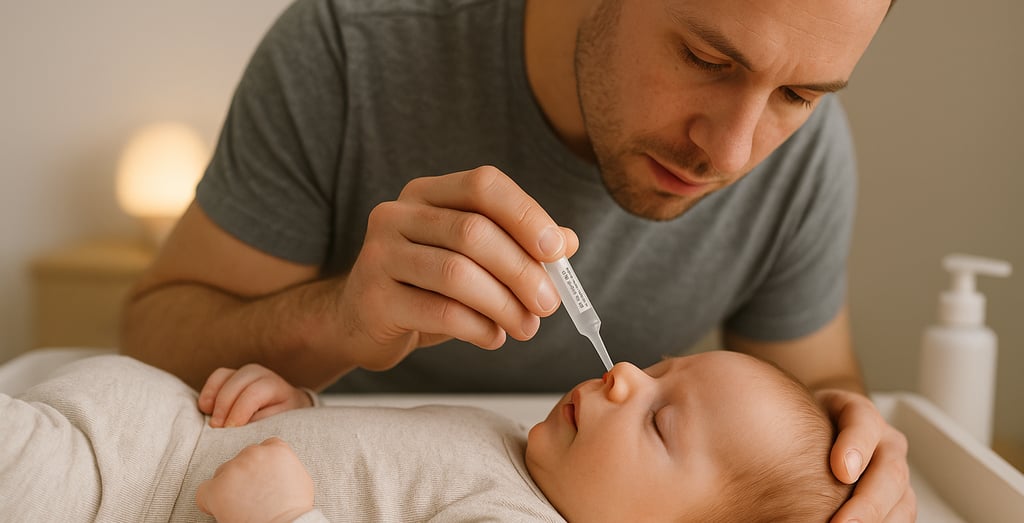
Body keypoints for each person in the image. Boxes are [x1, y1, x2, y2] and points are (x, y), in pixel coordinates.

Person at [119, 0, 914, 520]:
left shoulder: (804, 162)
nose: (734, 153)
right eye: (708, 58)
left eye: (799, 95)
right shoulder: (350, 49)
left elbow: (808, 399)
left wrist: (853, 444)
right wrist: (340, 321)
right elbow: (149, 339)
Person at [1, 352, 850, 522]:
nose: (625, 373)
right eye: (660, 366)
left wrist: (284, 517)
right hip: (148, 417)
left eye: (660, 419)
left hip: (113, 491)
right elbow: (371, 463)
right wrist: (292, 405)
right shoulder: (515, 445)